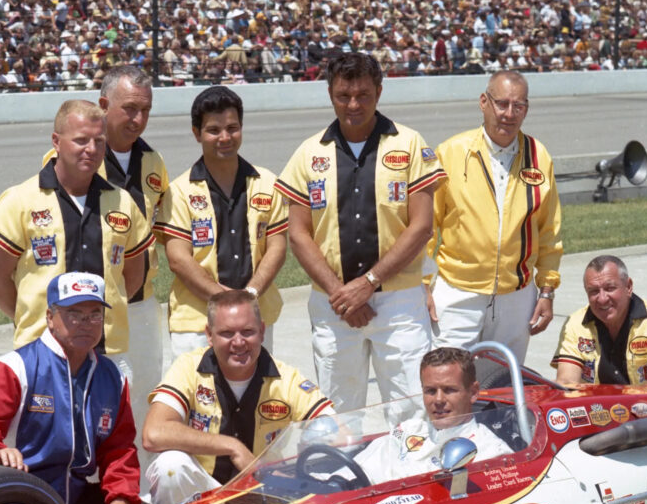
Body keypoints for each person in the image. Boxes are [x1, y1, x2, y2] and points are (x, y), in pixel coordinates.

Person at [275, 52, 445, 423]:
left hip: (400, 305)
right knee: (338, 414)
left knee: (411, 410)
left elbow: (421, 226)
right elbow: (298, 234)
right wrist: (343, 294)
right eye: (344, 96)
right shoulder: (309, 153)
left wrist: (368, 283)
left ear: (379, 92)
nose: (353, 105)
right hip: (333, 304)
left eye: (363, 95)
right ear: (330, 94)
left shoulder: (409, 144)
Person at [0, 271, 140, 504]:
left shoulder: (113, 377)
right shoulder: (12, 369)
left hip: (77, 498)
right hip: (18, 501)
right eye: (74, 314)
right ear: (50, 317)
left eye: (95, 315)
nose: (86, 324)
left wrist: (121, 499)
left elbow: (119, 450)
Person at [0, 98, 153, 364]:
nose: (91, 149)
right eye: (81, 140)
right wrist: (31, 316)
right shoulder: (20, 200)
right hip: (41, 351)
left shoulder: (122, 202)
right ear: (56, 141)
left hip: (108, 353)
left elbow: (133, 276)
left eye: (99, 141)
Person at [142, 290, 333, 504]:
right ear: (209, 334)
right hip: (205, 495)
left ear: (262, 331)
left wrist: (291, 471)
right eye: (227, 333)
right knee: (170, 466)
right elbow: (153, 433)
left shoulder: (287, 379)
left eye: (248, 331)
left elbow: (338, 431)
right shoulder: (188, 368)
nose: (239, 342)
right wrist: (233, 447)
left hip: (266, 491)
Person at [427, 70, 562, 362]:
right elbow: (426, 227)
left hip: (516, 297)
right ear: (483, 102)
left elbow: (549, 231)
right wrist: (423, 286)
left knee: (503, 382)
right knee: (450, 380)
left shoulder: (539, 156)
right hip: (458, 293)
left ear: (527, 109)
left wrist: (547, 290)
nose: (509, 114)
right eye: (501, 104)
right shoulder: (450, 153)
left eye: (518, 106)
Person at [155, 85, 288, 358]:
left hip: (255, 317)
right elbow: (178, 259)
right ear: (197, 133)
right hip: (195, 323)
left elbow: (277, 247)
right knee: (198, 387)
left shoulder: (267, 182)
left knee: (253, 386)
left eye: (232, 128)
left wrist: (250, 295)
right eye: (214, 130)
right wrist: (223, 299)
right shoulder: (179, 191)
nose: (225, 137)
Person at [97, 66, 167, 423]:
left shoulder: (153, 161)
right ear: (104, 105)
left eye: (145, 110)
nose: (138, 119)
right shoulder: (77, 157)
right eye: (129, 109)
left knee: (147, 396)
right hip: (95, 308)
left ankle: (140, 462)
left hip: (142, 304)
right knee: (101, 405)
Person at [352, 347, 511, 483]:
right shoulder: (407, 430)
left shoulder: (491, 453)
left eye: (449, 390)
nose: (438, 400)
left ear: (473, 392)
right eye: (430, 391)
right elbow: (353, 474)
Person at [552, 255, 647, 387]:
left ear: (628, 286)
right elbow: (566, 383)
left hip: (643, 402)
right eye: (594, 291)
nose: (602, 299)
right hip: (593, 403)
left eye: (610, 288)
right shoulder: (574, 323)